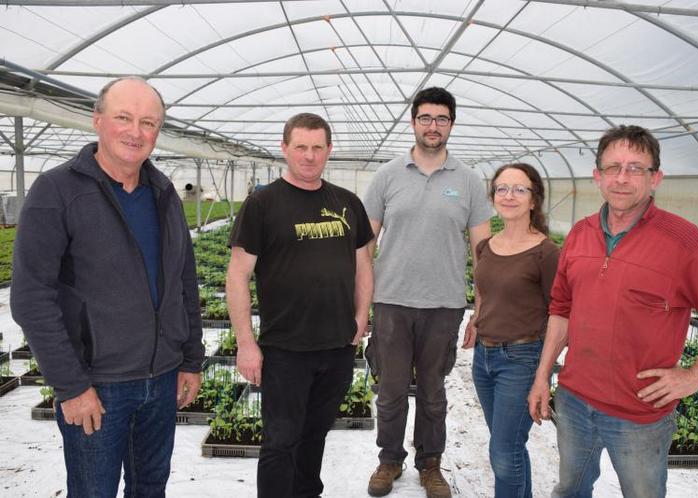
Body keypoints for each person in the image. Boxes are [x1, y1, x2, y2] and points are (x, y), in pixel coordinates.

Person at [527, 125, 698, 498]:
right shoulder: (580, 234)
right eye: (613, 167)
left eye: (636, 168)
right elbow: (561, 309)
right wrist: (542, 375)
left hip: (640, 414)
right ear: (597, 176)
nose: (622, 178)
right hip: (575, 401)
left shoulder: (683, 242)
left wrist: (694, 376)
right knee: (569, 489)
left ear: (655, 178)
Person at [10, 77, 204, 497]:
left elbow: (184, 280)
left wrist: (190, 358)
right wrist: (72, 386)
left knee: (151, 486)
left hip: (163, 375)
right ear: (98, 121)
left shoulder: (164, 193)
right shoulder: (57, 191)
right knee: (93, 491)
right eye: (124, 118)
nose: (136, 132)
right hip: (98, 386)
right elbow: (30, 298)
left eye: (148, 122)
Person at [225, 113, 374, 498]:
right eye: (301, 147)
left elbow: (363, 265)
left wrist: (361, 317)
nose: (309, 156)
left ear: (329, 150)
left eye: (317, 147)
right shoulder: (262, 204)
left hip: (337, 348)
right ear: (285, 148)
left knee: (315, 435)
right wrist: (245, 343)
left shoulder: (347, 203)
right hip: (285, 349)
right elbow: (237, 275)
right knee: (280, 441)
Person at [364, 87, 494, 498]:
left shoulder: (469, 180)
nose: (433, 126)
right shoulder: (387, 176)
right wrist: (360, 303)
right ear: (414, 121)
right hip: (391, 302)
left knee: (434, 392)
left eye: (441, 119)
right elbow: (365, 246)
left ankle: (430, 463)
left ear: (451, 124)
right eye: (425, 118)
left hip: (444, 304)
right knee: (391, 389)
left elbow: (483, 252)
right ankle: (389, 460)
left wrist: (480, 309)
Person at [462, 163, 559, 498]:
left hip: (521, 358)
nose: (510, 196)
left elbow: (559, 314)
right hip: (484, 358)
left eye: (520, 189)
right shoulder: (486, 246)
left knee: (503, 453)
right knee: (509, 446)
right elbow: (486, 293)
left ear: (534, 200)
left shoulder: (546, 252)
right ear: (493, 197)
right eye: (502, 188)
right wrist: (476, 321)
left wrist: (543, 373)